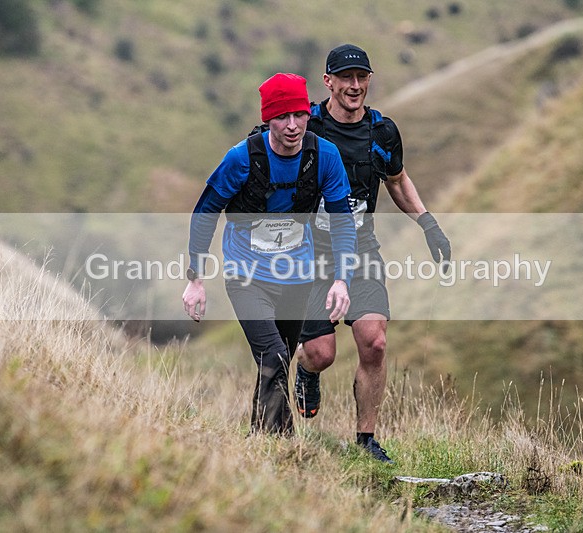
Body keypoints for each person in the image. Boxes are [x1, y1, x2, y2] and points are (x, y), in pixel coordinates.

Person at [293, 45, 451, 462]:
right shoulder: (307, 127)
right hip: (312, 253)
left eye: (362, 77)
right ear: (328, 81)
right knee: (321, 353)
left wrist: (428, 223)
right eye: (346, 78)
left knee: (375, 342)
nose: (355, 86)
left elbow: (397, 181)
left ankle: (366, 440)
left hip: (361, 248)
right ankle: (306, 371)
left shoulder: (382, 132)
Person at [182, 73, 357, 435]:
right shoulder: (240, 159)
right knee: (274, 356)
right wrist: (195, 280)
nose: (292, 126)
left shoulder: (324, 156)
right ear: (268, 120)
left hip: (297, 277)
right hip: (246, 276)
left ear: (309, 113)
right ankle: (275, 439)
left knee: (277, 362)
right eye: (281, 118)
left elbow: (342, 221)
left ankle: (266, 437)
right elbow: (205, 214)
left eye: (299, 115)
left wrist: (342, 278)